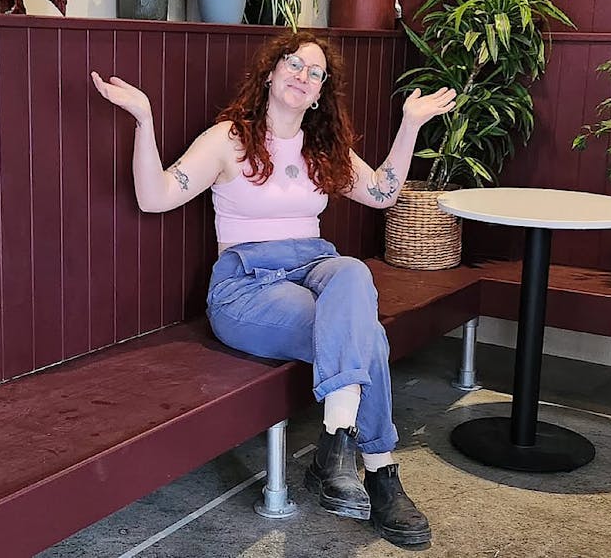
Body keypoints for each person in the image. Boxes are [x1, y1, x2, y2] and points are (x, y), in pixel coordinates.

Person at [91, 30, 456, 548]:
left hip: (314, 266)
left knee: (353, 272)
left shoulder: (324, 147)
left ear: (319, 92)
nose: (302, 76)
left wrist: (410, 124)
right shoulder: (228, 140)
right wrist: (145, 119)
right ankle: (376, 470)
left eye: (315, 73)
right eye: (294, 64)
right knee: (366, 336)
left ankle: (338, 438)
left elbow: (382, 193)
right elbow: (154, 198)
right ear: (270, 71)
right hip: (247, 286)